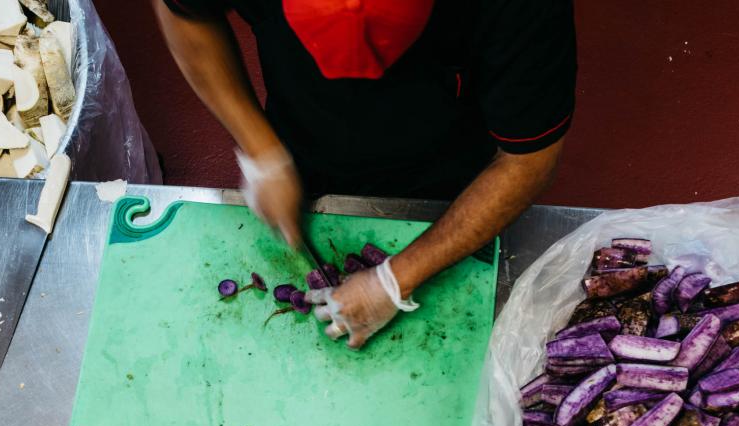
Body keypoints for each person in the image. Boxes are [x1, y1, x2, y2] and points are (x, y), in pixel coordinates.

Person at [152, 0, 576, 348]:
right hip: (301, 133)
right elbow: (185, 14)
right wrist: (263, 150)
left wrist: (396, 280)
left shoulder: (522, 9)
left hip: (451, 156)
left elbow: (527, 160)